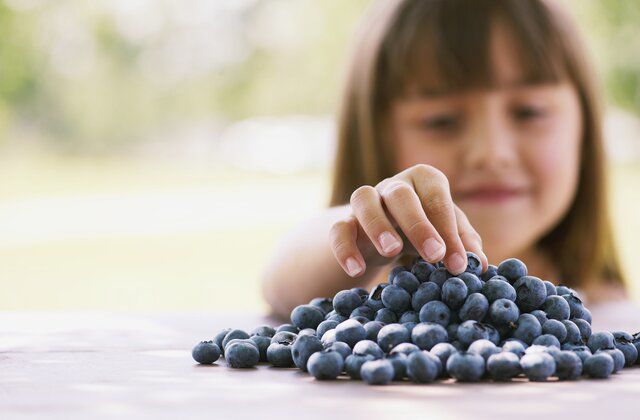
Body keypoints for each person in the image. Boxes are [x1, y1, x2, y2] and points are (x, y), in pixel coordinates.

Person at [261, 0, 627, 320]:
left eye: (530, 112)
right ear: (376, 136)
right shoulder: (369, 293)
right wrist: (360, 233)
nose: (491, 154)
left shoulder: (609, 314)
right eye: (441, 121)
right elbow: (281, 278)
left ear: (585, 130)